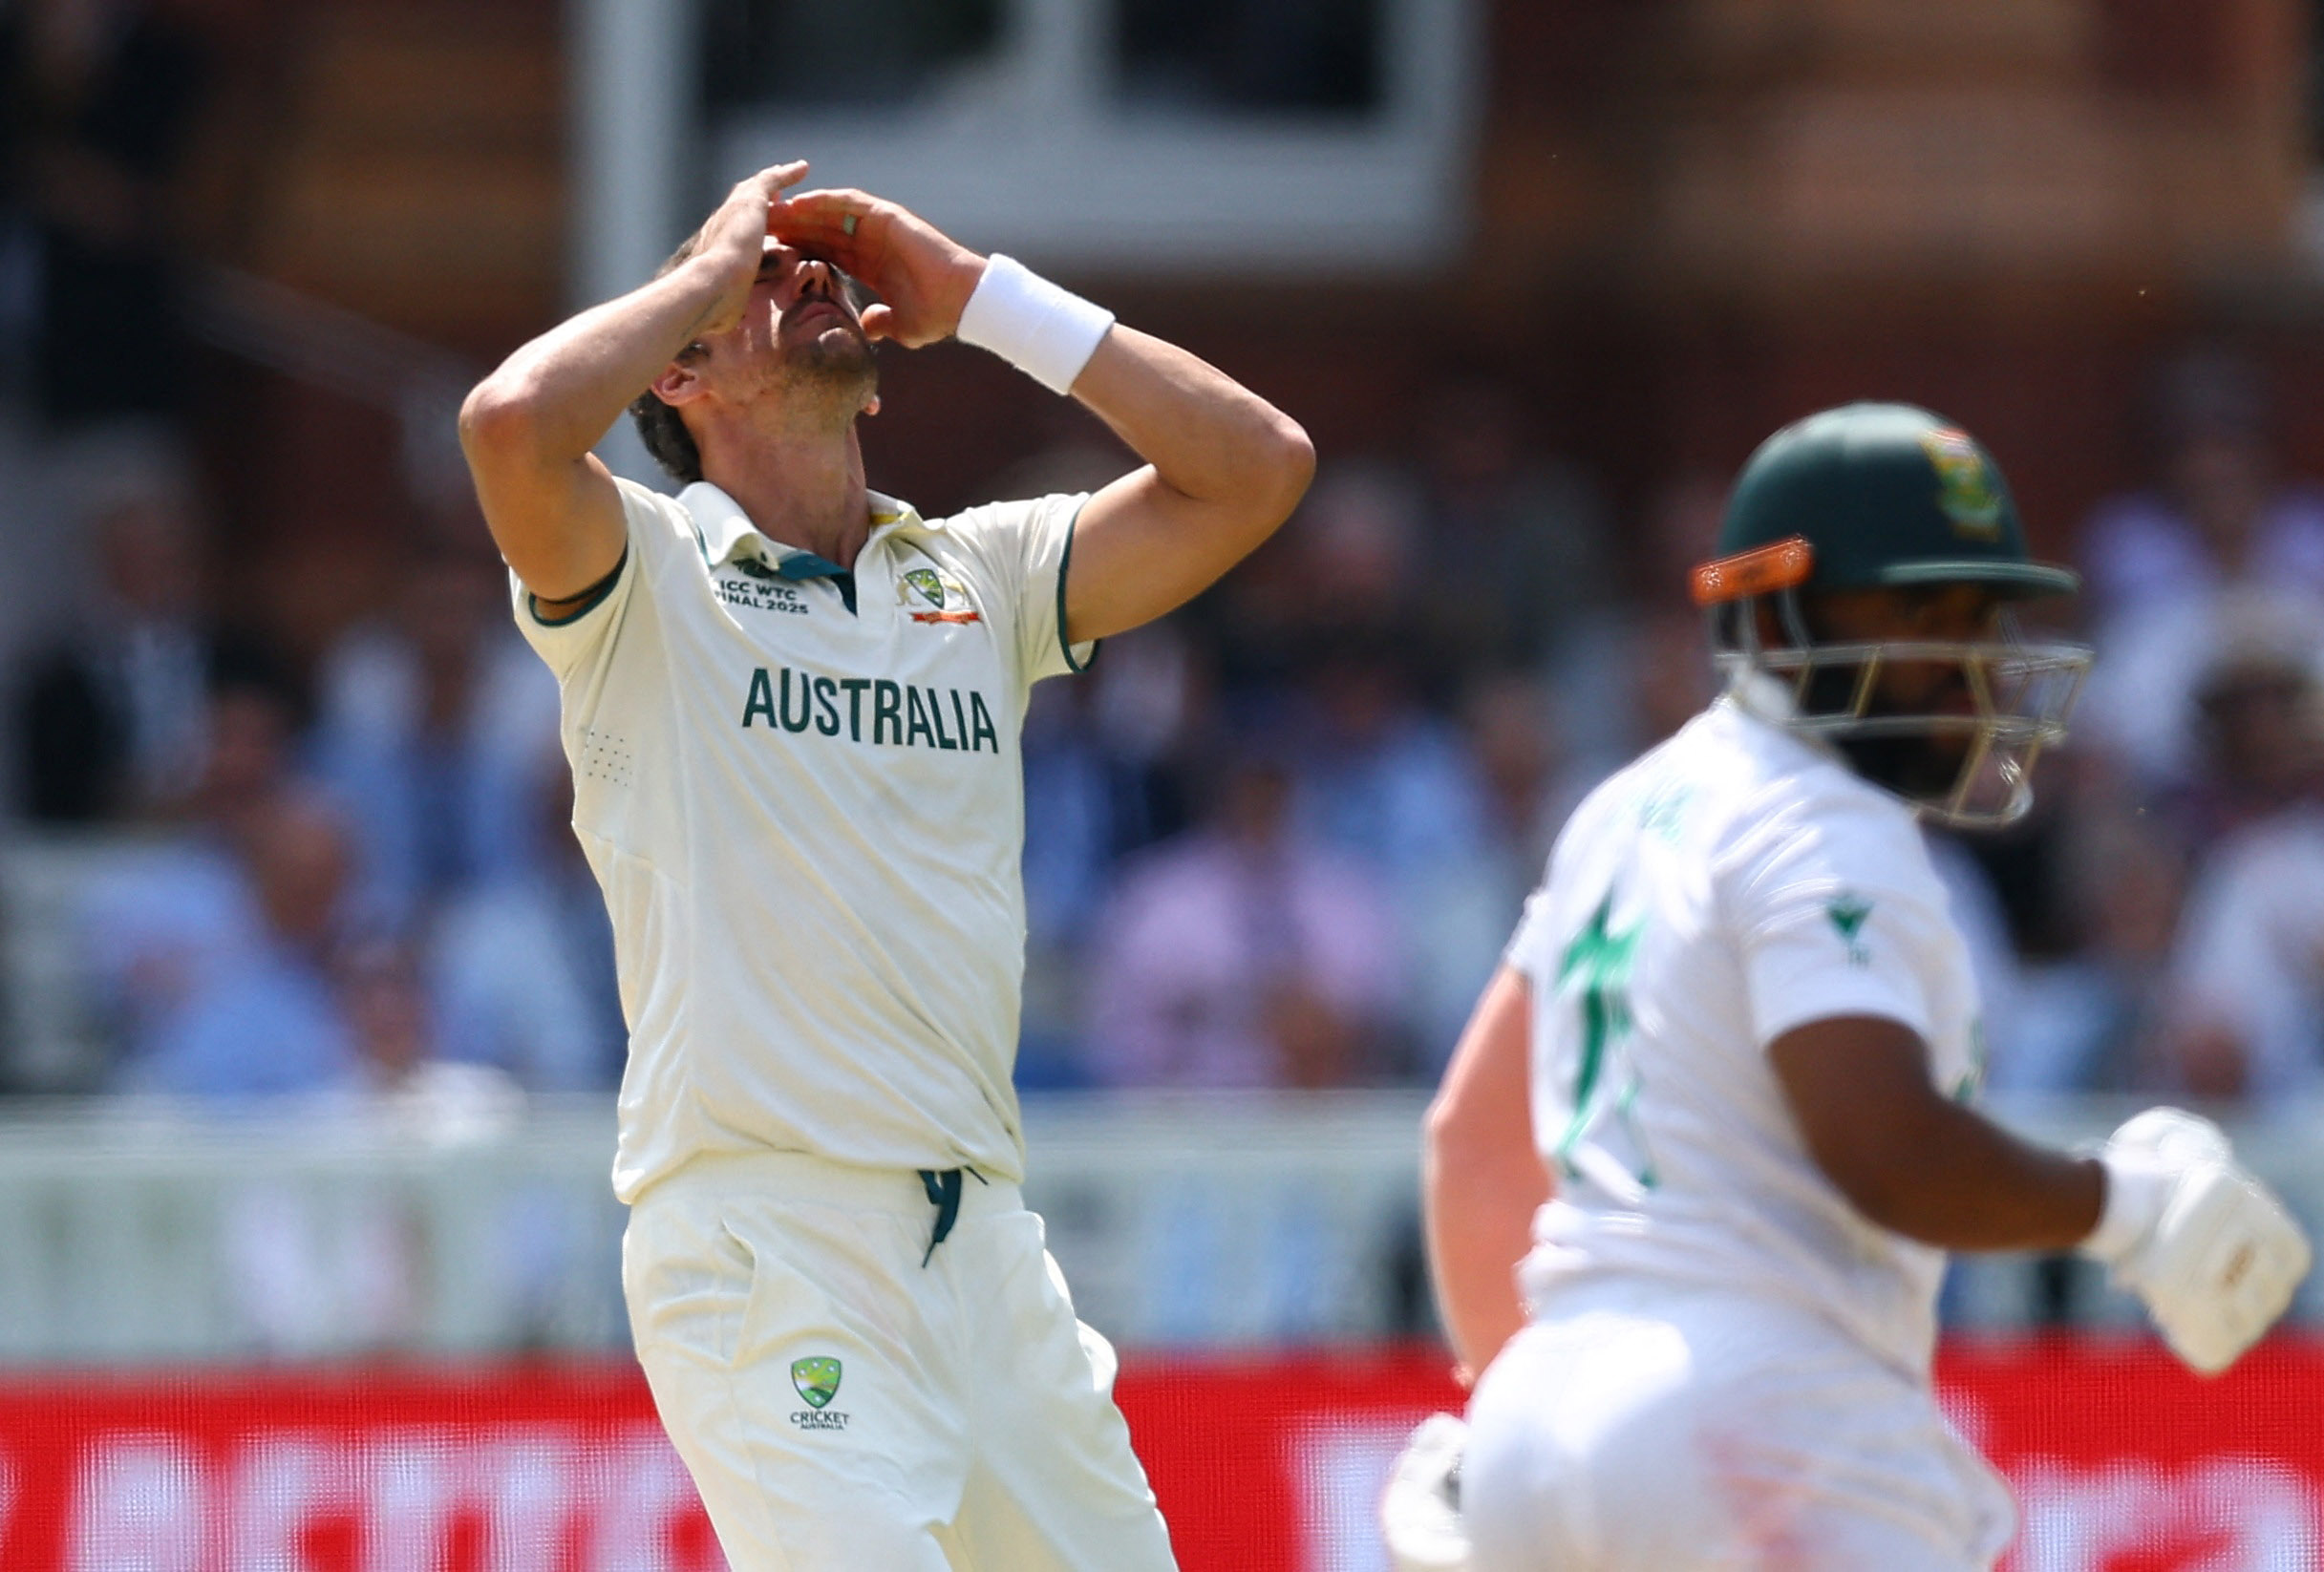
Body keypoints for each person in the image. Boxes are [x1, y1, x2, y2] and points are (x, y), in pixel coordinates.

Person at [458, 159, 1312, 1568]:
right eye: (762, 282)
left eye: (816, 269)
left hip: (982, 1244)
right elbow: (507, 427)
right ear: (682, 371)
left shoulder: (977, 579)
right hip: (765, 1240)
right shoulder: (651, 577)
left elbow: (1259, 467)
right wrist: (702, 270)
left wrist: (985, 298)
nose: (805, 280)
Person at [1384, 404, 2311, 1572]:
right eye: (1923, 611)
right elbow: (1881, 1144)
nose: (1973, 655)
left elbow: (1470, 1144)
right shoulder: (1826, 812)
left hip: (1536, 1415)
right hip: (1767, 1411)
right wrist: (2123, 1205)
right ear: (1775, 612)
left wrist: (1543, 1416)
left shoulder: (1624, 805)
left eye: (1983, 611)